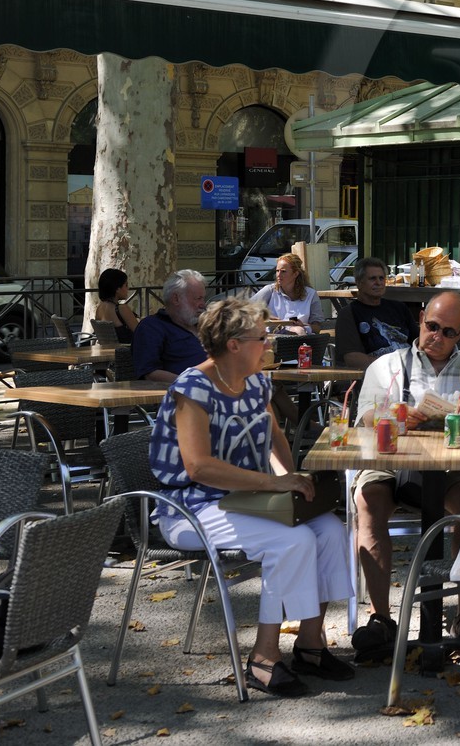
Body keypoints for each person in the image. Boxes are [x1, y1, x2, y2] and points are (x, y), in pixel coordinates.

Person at [147, 297, 353, 697]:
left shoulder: (258, 381)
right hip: (191, 507)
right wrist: (274, 485)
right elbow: (198, 467)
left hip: (248, 498)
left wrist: (288, 478)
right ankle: (263, 658)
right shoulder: (193, 387)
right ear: (234, 344)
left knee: (328, 528)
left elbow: (274, 437)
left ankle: (311, 646)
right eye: (262, 337)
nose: (269, 344)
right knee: (292, 540)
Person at [348, 289, 460, 656]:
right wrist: (395, 416)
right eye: (433, 327)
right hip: (391, 464)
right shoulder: (386, 365)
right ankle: (380, 616)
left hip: (449, 466)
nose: (438, 337)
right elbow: (364, 416)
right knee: (368, 501)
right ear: (420, 320)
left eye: (449, 332)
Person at [334, 257, 417, 370]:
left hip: (410, 372)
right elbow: (353, 359)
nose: (378, 282)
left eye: (381, 278)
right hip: (375, 377)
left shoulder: (400, 308)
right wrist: (393, 367)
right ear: (359, 282)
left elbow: (418, 343)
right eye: (372, 278)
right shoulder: (348, 314)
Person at [134, 270, 209, 383]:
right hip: (184, 394)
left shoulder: (206, 324)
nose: (203, 304)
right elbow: (149, 373)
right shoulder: (152, 327)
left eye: (203, 298)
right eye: (198, 298)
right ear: (176, 299)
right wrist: (193, 384)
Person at [251, 252, 323, 334]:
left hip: (301, 336)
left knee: (298, 331)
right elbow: (246, 310)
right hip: (273, 336)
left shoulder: (311, 294)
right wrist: (266, 317)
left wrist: (302, 325)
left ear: (295, 274)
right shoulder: (270, 290)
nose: (278, 275)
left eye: (283, 271)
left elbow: (317, 328)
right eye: (277, 271)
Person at [94, 267, 140, 343]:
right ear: (117, 289)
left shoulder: (100, 308)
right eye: (126, 285)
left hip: (109, 352)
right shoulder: (122, 308)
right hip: (128, 351)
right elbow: (140, 332)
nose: (128, 288)